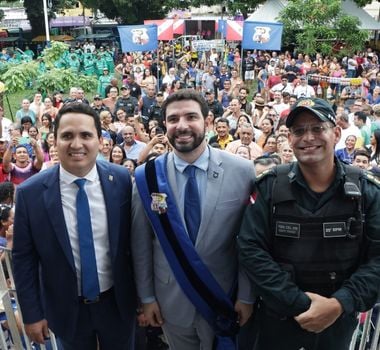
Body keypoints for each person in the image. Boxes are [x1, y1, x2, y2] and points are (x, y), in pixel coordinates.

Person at [238, 97, 380, 350]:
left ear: (336, 133)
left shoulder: (367, 191)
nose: (308, 137)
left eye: (317, 128)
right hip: (278, 319)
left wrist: (338, 304)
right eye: (299, 131)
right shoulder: (269, 187)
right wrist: (299, 303)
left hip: (337, 322)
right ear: (290, 139)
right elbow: (250, 250)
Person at [132, 90, 255, 350]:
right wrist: (147, 297)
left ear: (208, 122)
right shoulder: (147, 177)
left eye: (191, 117)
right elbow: (141, 244)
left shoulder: (242, 171)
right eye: (173, 119)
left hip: (224, 297)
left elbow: (250, 243)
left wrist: (246, 296)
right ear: (164, 124)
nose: (182, 125)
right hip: (170, 301)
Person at [12, 102, 137, 349]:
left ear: (100, 140)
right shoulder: (31, 193)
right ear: (54, 141)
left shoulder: (121, 179)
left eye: (86, 135)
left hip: (118, 303)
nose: (77, 144)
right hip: (66, 308)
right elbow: (24, 258)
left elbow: (135, 244)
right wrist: (32, 314)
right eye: (67, 136)